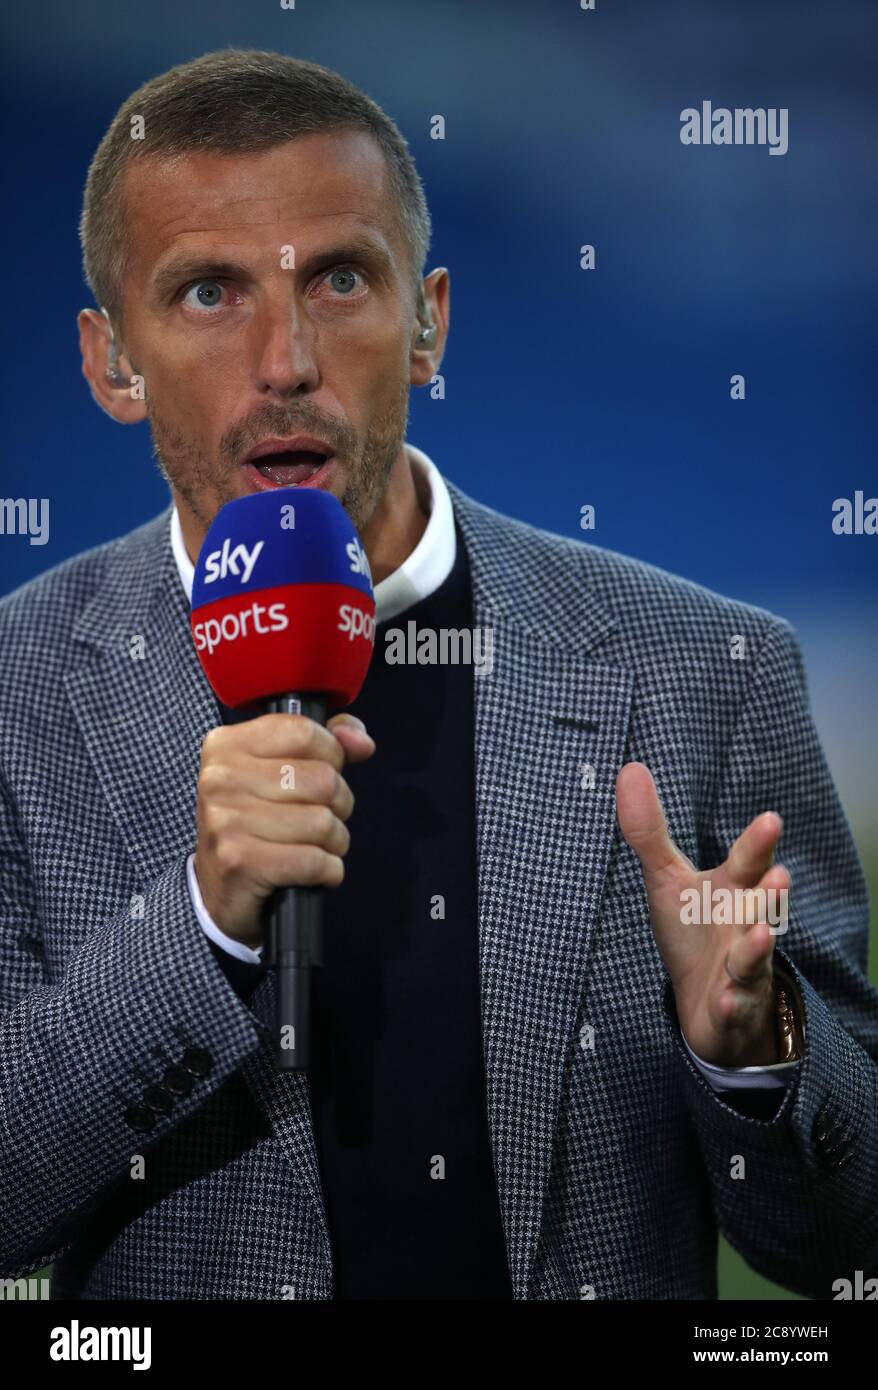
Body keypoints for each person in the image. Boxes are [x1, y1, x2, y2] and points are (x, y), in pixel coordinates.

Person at [0, 49, 875, 1301]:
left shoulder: (703, 672)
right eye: (207, 292)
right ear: (109, 364)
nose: (285, 359)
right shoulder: (14, 695)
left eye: (341, 279)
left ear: (429, 325)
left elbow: (848, 1243)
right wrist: (195, 924)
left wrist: (753, 1054)